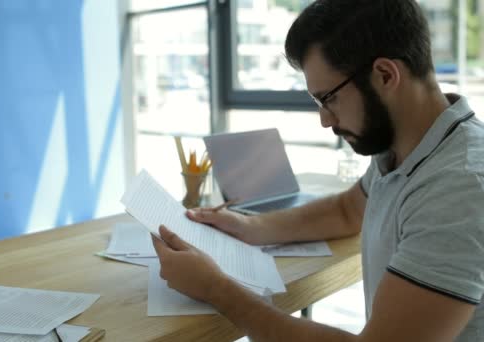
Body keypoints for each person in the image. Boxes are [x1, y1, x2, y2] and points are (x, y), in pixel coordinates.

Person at [151, 0, 484, 340]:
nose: (325, 120)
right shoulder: (405, 143)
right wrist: (249, 227)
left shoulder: (459, 187)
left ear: (385, 75)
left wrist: (216, 289)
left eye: (329, 98)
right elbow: (347, 210)